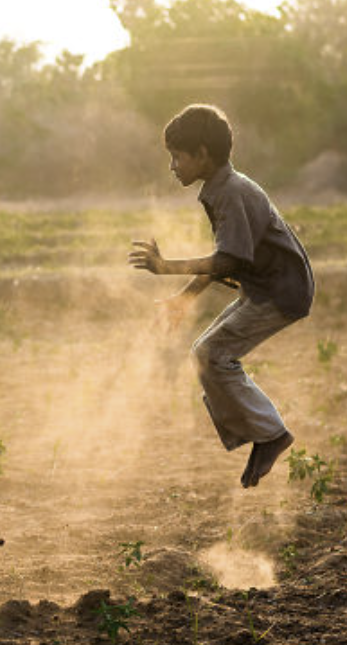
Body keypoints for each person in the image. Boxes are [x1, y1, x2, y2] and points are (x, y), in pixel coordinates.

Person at [129, 104, 314, 488]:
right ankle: (263, 433)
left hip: (280, 291)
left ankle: (271, 434)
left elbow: (228, 261)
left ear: (202, 154)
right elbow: (227, 260)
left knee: (213, 355)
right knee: (204, 353)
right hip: (264, 286)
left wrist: (166, 268)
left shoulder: (231, 192)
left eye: (177, 157)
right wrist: (183, 298)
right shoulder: (220, 188)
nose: (173, 166)